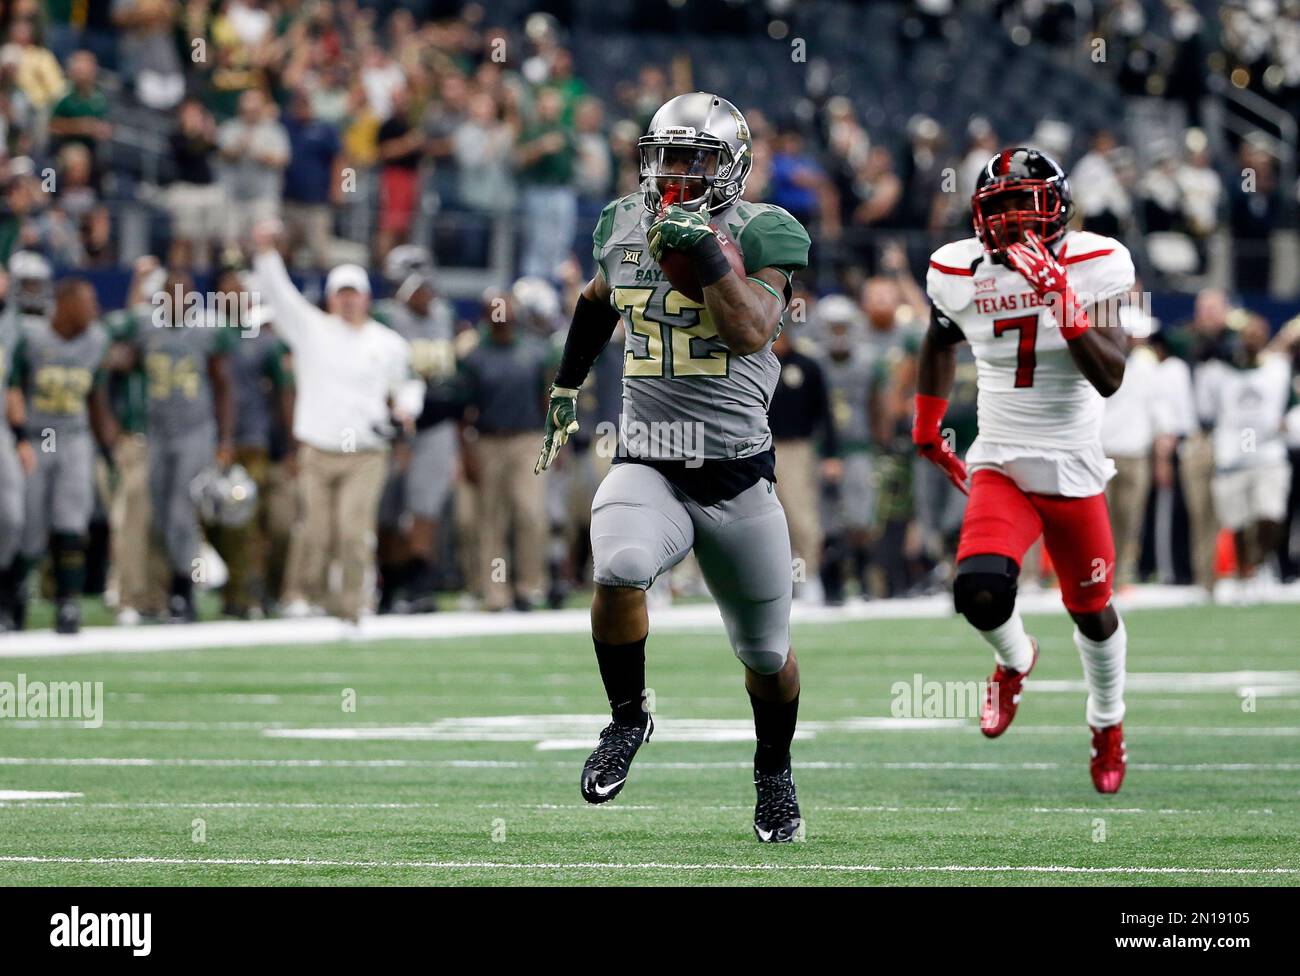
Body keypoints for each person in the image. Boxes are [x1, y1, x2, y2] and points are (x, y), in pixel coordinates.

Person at [534, 93, 811, 841]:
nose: (678, 172)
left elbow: (752, 330)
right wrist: (567, 383)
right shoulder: (622, 221)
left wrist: (710, 252)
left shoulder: (766, 230)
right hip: (648, 459)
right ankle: (628, 719)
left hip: (736, 474)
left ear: (732, 166)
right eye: (666, 156)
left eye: (697, 159)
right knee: (618, 566)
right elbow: (598, 301)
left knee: (766, 655)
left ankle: (773, 772)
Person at [915, 148, 1135, 793]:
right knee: (977, 590)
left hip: (1073, 467)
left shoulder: (1100, 262)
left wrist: (1059, 295)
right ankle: (1016, 661)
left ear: (1058, 209)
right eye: (1000, 206)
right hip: (1002, 462)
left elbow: (1111, 374)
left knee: (1091, 611)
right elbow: (937, 338)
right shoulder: (956, 269)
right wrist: (927, 423)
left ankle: (1107, 720)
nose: (1013, 218)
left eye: (1025, 203)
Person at [251, 218, 422, 625]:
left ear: (365, 298)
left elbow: (409, 385)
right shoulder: (312, 330)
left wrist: (405, 411)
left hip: (366, 451)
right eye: (340, 294)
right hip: (317, 446)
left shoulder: (388, 342)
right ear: (330, 299)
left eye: (354, 294)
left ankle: (352, 603)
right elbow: (280, 294)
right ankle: (301, 596)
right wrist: (267, 252)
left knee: (352, 530)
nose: (347, 301)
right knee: (314, 530)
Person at [9, 276, 119, 633]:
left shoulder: (96, 340)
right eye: (87, 303)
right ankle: (14, 597)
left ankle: (68, 603)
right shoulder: (32, 336)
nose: (93, 310)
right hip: (39, 436)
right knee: (30, 523)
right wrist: (17, 435)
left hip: (71, 435)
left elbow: (96, 394)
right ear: (66, 303)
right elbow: (15, 386)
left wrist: (108, 446)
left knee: (71, 518)